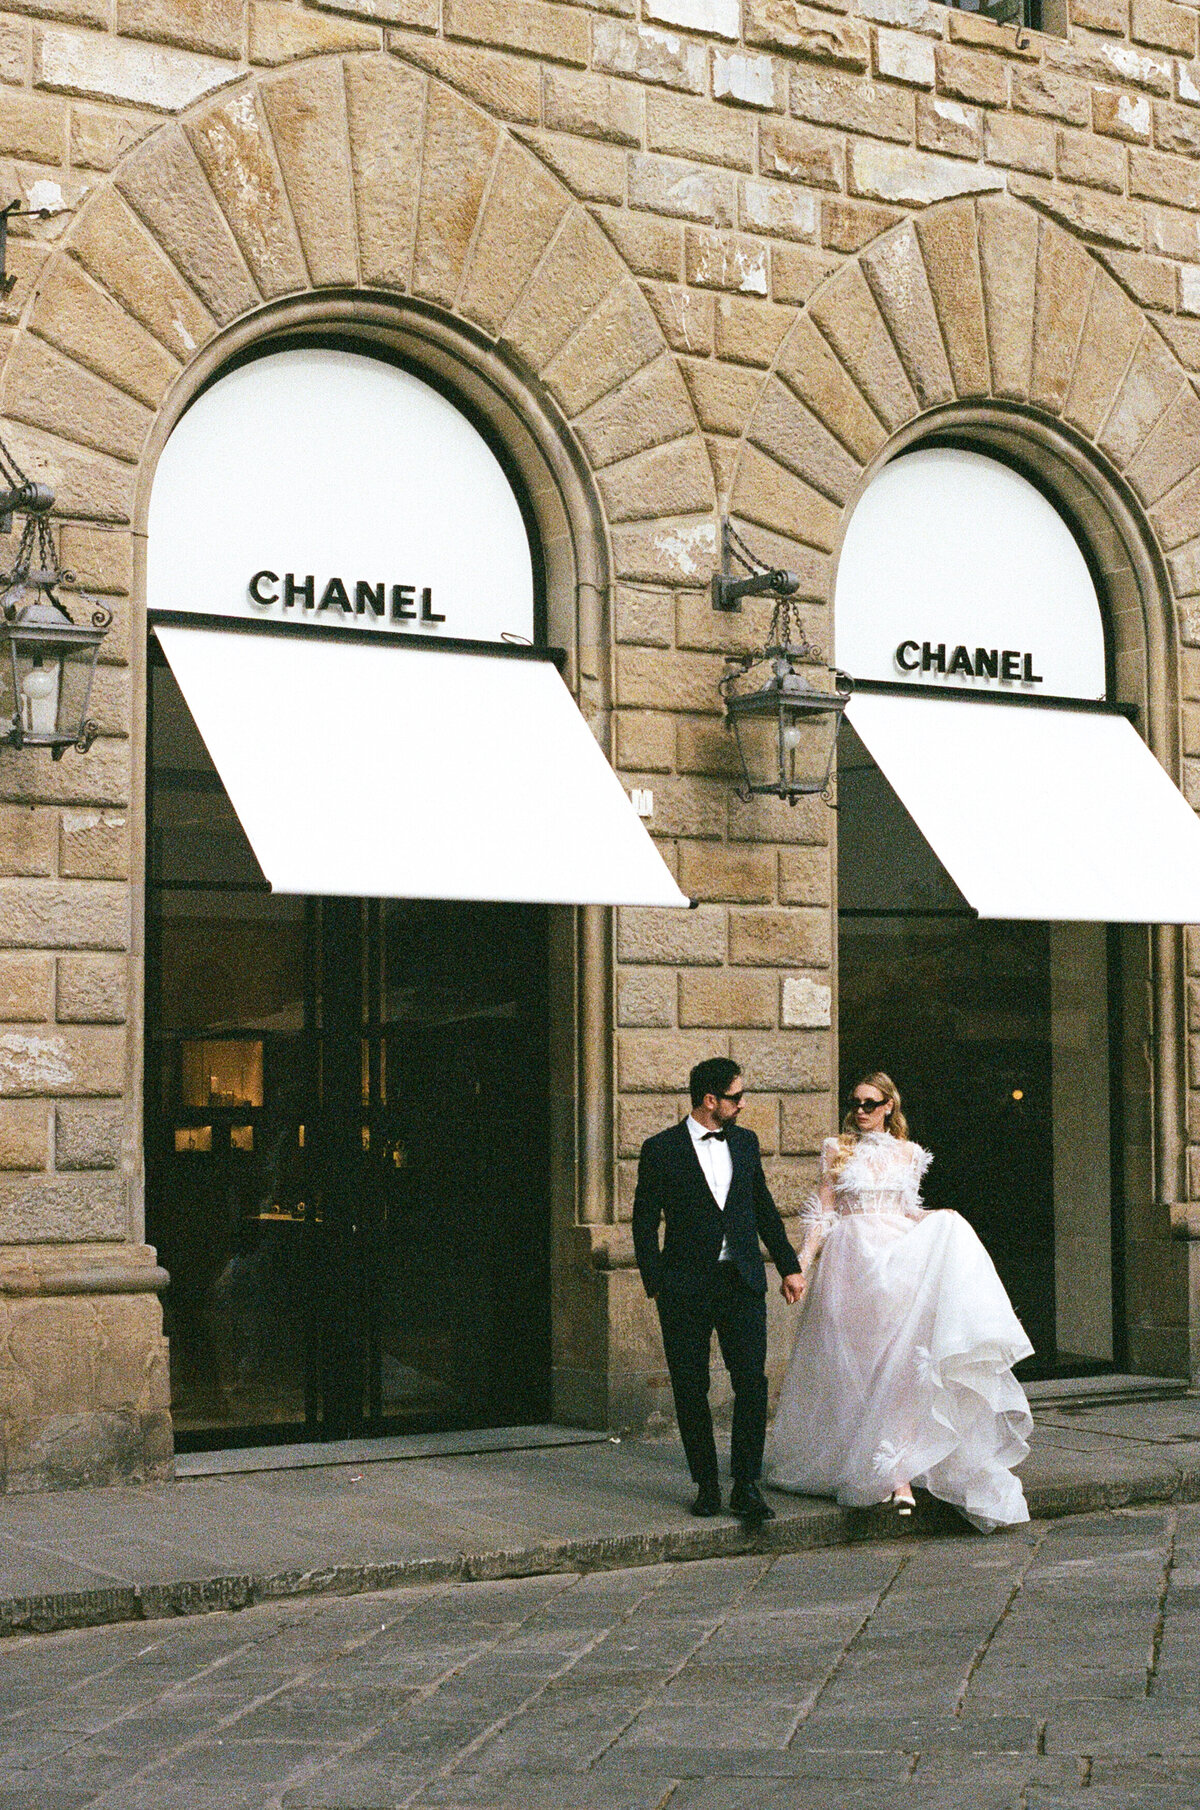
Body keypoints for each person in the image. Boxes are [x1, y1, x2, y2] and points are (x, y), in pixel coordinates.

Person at [768, 1072, 1033, 1532]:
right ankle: (864, 1462)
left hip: (896, 1263)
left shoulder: (910, 1155)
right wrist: (801, 1266)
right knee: (854, 1365)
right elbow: (823, 1212)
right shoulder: (836, 1149)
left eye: (871, 1103)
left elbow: (907, 1210)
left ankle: (898, 1475)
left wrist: (939, 1218)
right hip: (850, 1267)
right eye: (855, 1103)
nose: (861, 1111)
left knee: (901, 1364)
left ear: (889, 1105)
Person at [633, 1056, 804, 1524]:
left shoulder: (745, 1143)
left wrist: (788, 1266)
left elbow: (764, 1209)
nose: (742, 1104)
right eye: (735, 1096)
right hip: (684, 1286)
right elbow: (644, 1221)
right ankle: (706, 1484)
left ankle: (745, 1484)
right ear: (710, 1100)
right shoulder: (661, 1149)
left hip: (742, 1280)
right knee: (692, 1386)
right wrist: (656, 1282)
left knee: (751, 1380)